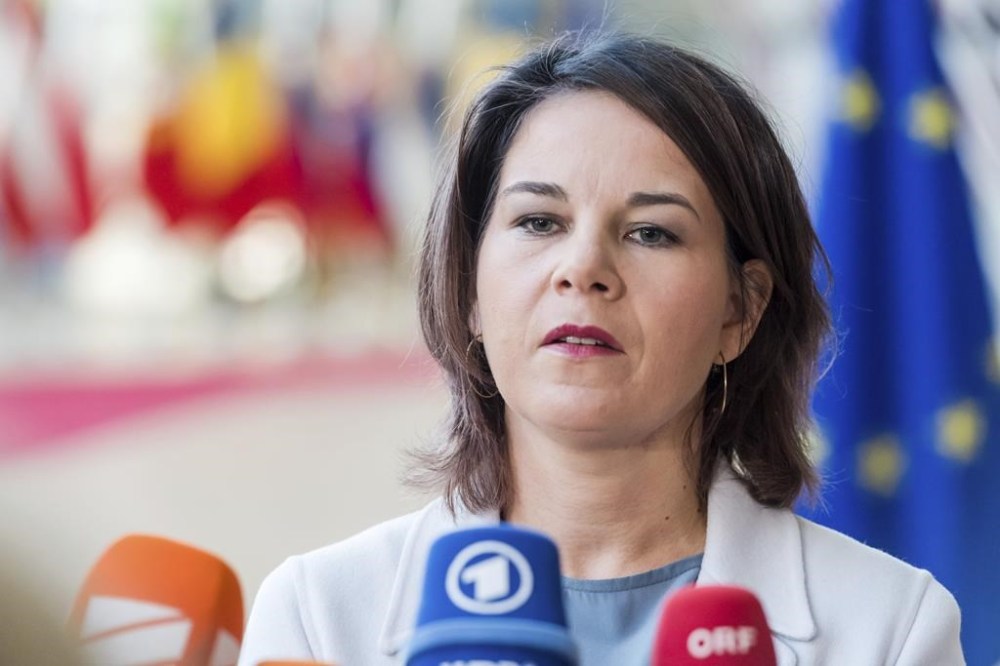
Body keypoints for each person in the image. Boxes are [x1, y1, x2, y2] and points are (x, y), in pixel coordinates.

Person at [239, 32, 964, 665]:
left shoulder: (890, 627)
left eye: (651, 232)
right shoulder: (318, 616)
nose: (583, 267)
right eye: (539, 221)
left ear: (740, 310)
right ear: (469, 288)